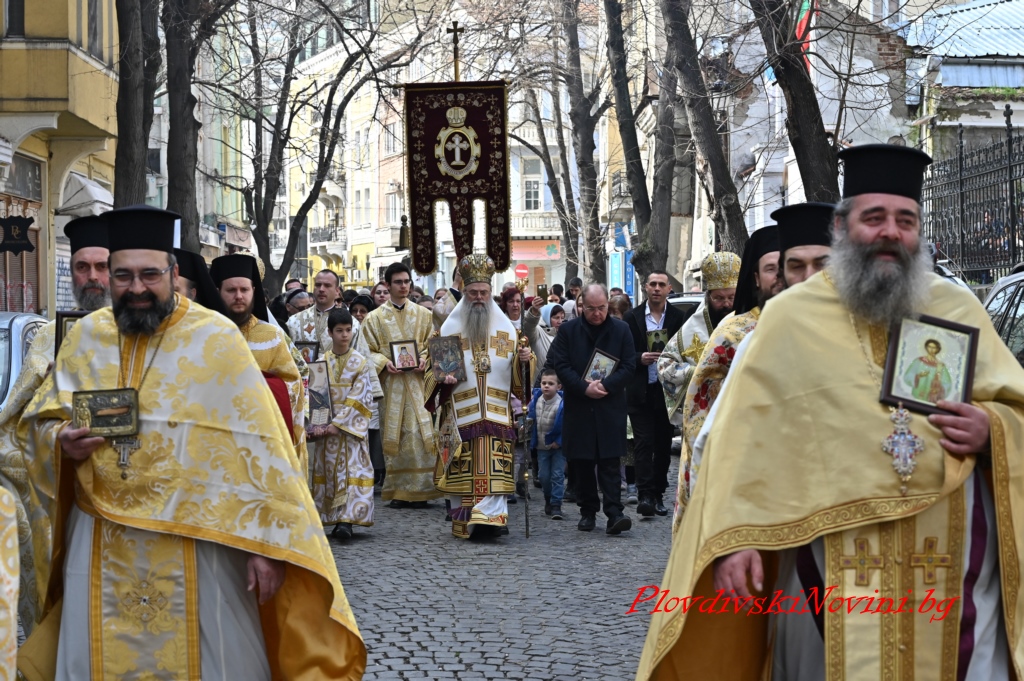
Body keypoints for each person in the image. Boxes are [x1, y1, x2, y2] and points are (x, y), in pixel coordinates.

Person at [636, 144, 1024, 680]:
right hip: (828, 563)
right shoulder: (790, 319)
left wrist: (992, 429)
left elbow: (1014, 407)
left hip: (954, 572)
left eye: (905, 219)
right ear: (843, 228)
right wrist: (736, 538)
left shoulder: (956, 309)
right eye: (874, 217)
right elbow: (739, 440)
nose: (890, 231)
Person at [18, 205, 365, 680]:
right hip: (101, 535)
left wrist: (265, 547)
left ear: (173, 272)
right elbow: (39, 420)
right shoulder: (85, 337)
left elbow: (261, 451)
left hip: (199, 539)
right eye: (123, 275)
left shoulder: (216, 338)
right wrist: (61, 439)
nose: (136, 288)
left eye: (149, 275)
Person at [0, 215, 109, 637]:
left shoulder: (148, 332)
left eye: (101, 267)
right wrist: (54, 439)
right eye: (83, 267)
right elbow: (19, 419)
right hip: (68, 490)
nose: (93, 277)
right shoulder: (49, 336)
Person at [426, 254, 535, 539]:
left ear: (490, 295)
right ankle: (466, 522)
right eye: (472, 292)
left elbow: (520, 378)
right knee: (465, 472)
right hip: (461, 414)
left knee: (494, 468)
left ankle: (492, 519)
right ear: (464, 292)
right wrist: (442, 379)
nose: (477, 298)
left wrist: (525, 359)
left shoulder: (508, 332)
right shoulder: (449, 328)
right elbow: (431, 374)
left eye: (483, 293)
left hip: (497, 412)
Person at [548, 284, 635, 534]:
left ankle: (614, 512)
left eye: (602, 308)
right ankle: (587, 511)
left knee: (609, 460)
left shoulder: (621, 329)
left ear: (608, 304)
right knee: (582, 462)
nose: (597, 314)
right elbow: (561, 365)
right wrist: (583, 388)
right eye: (591, 309)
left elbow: (629, 366)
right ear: (581, 306)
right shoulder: (568, 331)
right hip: (580, 404)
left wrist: (606, 385)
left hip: (610, 404)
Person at [211, 253, 308, 473]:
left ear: (254, 292)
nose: (238, 296)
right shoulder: (204, 333)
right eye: (231, 290)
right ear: (218, 292)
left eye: (244, 290)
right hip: (216, 441)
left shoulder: (272, 336)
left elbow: (294, 383)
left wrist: (252, 387)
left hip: (263, 442)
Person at [361, 263, 440, 508]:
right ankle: (398, 490)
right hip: (392, 385)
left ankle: (424, 489)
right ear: (387, 285)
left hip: (419, 384)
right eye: (398, 282)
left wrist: (426, 359)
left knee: (421, 433)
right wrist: (384, 362)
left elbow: (435, 345)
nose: (403, 286)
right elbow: (366, 352)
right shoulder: (373, 318)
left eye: (407, 281)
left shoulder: (425, 315)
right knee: (395, 435)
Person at [306, 308, 375, 540]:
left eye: (348, 330)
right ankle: (333, 519)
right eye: (339, 331)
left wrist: (339, 424)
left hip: (350, 432)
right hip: (327, 433)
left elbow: (361, 397)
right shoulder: (320, 363)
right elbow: (316, 397)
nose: (344, 335)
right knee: (330, 473)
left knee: (352, 472)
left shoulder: (360, 362)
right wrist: (317, 426)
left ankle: (347, 521)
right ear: (329, 333)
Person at [626, 270, 687, 518]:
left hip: (667, 392)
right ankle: (645, 495)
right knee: (642, 444)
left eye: (662, 284)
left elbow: (686, 351)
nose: (657, 289)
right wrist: (639, 358)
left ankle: (659, 494)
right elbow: (623, 354)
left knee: (662, 445)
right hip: (640, 390)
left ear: (669, 288)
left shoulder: (679, 317)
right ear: (645, 287)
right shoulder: (632, 318)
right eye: (652, 284)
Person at [656, 252, 740, 425]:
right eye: (719, 298)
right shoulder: (693, 322)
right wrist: (699, 373)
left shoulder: (750, 321)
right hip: (703, 416)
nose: (726, 304)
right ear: (708, 296)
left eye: (731, 297)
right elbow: (665, 364)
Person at [347, 294, 385, 484]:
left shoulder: (374, 326)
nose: (359, 315)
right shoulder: (349, 330)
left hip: (373, 384)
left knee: (375, 433)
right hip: (351, 387)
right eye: (354, 311)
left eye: (363, 311)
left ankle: (378, 471)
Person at [529, 368, 565, 520]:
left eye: (551, 383)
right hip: (542, 446)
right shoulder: (536, 400)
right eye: (544, 383)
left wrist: (559, 441)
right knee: (543, 476)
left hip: (558, 447)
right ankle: (548, 498)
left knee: (557, 475)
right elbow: (531, 418)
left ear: (558, 386)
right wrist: (524, 427)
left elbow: (567, 425)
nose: (546, 386)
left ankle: (556, 504)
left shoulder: (562, 403)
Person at [904, 338, 953, 403]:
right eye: (929, 347)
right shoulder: (918, 361)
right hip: (917, 394)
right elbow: (908, 375)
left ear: (938, 349)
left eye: (934, 348)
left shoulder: (941, 366)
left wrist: (939, 388)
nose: (931, 349)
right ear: (926, 347)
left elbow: (947, 384)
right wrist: (918, 376)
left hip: (932, 398)